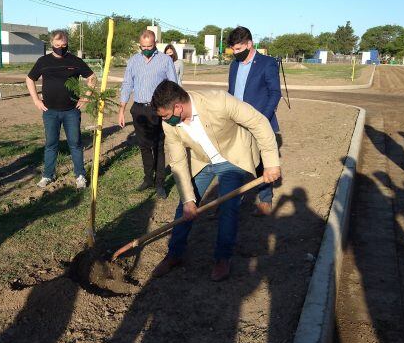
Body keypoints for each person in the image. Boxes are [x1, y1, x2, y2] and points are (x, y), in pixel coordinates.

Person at [150, 81, 281, 281]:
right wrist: (188, 200)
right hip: (202, 161)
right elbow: (177, 161)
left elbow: (259, 122)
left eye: (166, 115)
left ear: (178, 107)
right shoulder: (169, 123)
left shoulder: (219, 101)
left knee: (228, 207)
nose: (164, 120)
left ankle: (222, 258)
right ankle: (174, 254)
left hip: (232, 156)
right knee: (184, 207)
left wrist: (271, 163)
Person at [26, 29, 95, 189]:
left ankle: (80, 175)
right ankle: (47, 175)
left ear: (67, 44)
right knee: (51, 143)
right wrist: (36, 100)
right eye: (57, 45)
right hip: (49, 111)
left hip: (71, 110)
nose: (61, 48)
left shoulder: (75, 61)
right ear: (52, 44)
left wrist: (86, 97)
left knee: (75, 143)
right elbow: (29, 79)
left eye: (64, 45)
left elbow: (91, 78)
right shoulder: (43, 61)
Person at [227, 26, 282, 216]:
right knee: (234, 162)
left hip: (259, 122)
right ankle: (231, 202)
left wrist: (262, 119)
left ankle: (265, 199)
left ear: (250, 44)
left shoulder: (267, 63)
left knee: (260, 163)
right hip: (237, 122)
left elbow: (275, 93)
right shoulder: (234, 65)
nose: (235, 53)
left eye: (239, 49)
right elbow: (231, 92)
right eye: (233, 50)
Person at [118, 30, 178, 198]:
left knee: (158, 146)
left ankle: (160, 183)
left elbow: (173, 85)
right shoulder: (133, 61)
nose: (146, 49)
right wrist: (121, 110)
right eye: (143, 47)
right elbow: (127, 84)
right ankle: (148, 179)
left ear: (156, 43)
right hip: (139, 109)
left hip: (157, 109)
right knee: (144, 145)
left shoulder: (165, 60)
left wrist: (172, 109)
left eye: (149, 46)